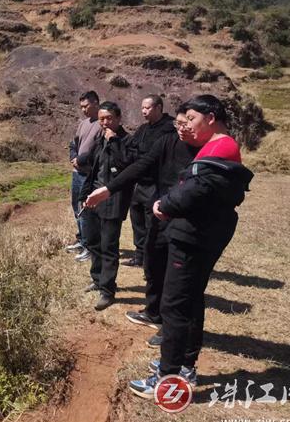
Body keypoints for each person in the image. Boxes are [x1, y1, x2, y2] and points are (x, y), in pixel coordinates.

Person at [126, 95, 254, 399]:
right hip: (200, 232)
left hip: (194, 236)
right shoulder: (219, 145)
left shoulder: (222, 146)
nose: (188, 126)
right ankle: (184, 366)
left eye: (193, 119)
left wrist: (164, 204)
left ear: (210, 117)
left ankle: (167, 378)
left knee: (174, 305)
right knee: (192, 300)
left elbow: (195, 189)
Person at [85, 105, 200, 347]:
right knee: (152, 262)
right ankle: (153, 312)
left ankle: (172, 332)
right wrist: (105, 189)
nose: (180, 128)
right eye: (178, 123)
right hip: (158, 210)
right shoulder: (166, 141)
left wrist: (115, 146)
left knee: (177, 279)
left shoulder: (205, 150)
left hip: (184, 219)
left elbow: (128, 163)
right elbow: (140, 165)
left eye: (186, 123)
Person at [77, 102, 133, 311]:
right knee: (92, 242)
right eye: (101, 119)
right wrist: (84, 194)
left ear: (118, 119)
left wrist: (115, 141)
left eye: (109, 118)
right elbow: (93, 169)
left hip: (113, 200)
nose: (105, 123)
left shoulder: (126, 140)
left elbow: (128, 165)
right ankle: (98, 279)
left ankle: (107, 291)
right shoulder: (99, 139)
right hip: (94, 198)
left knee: (109, 246)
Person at [123, 95, 175, 268]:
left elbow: (155, 156)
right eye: (142, 108)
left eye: (147, 108)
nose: (143, 111)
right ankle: (139, 256)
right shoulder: (143, 129)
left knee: (152, 224)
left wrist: (140, 155)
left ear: (159, 107)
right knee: (137, 220)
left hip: (156, 183)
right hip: (139, 182)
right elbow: (132, 148)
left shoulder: (169, 128)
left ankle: (151, 260)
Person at [66, 91, 101, 253]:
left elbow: (99, 151)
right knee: (76, 206)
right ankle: (82, 239)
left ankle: (90, 245)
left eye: (86, 106)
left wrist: (81, 160)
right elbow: (74, 144)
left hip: (89, 174)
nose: (83, 110)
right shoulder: (83, 123)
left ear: (95, 103)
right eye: (81, 107)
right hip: (76, 172)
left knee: (86, 209)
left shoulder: (102, 124)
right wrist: (74, 157)